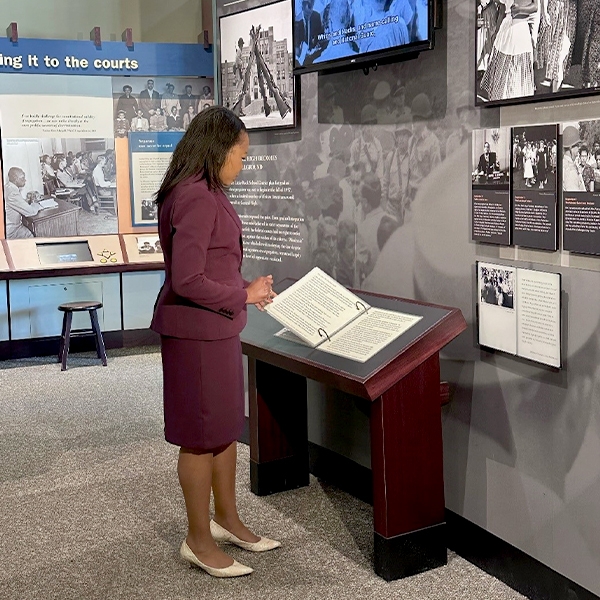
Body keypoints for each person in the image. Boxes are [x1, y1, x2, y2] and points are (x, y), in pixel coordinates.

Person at [150, 106, 280, 578]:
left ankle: (226, 519)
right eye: (240, 156)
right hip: (196, 334)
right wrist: (242, 293)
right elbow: (187, 279)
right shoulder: (195, 197)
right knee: (200, 438)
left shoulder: (205, 192)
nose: (243, 165)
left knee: (224, 428)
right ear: (218, 150)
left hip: (219, 327)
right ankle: (198, 540)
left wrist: (247, 292)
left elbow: (216, 263)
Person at [4, 167, 41, 239]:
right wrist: (35, 202)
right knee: (30, 236)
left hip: (9, 227)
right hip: (11, 230)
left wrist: (28, 200)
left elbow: (18, 203)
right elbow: (31, 212)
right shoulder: (12, 193)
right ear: (15, 178)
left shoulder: (8, 187)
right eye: (22, 178)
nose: (25, 180)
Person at [562, 125, 585, 192]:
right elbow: (575, 199)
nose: (578, 149)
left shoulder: (563, 163)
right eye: (577, 145)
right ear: (570, 147)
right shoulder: (570, 171)